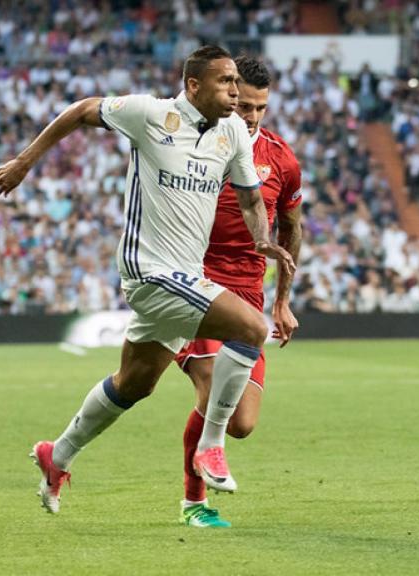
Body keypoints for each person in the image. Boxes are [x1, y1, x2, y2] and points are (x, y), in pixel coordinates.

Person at [0, 45, 296, 514]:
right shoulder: (149, 114)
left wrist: (263, 240)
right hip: (149, 272)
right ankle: (211, 446)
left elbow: (252, 200)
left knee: (135, 383)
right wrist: (26, 161)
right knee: (251, 327)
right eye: (225, 83)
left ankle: (57, 455)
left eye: (238, 84)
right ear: (193, 85)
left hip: (186, 278)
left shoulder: (231, 132)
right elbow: (81, 110)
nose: (234, 93)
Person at [173, 55, 302, 528]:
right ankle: (194, 503)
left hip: (249, 295)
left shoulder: (280, 158)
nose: (250, 117)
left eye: (260, 109)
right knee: (210, 394)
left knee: (242, 423)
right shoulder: (191, 146)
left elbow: (291, 229)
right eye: (243, 105)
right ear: (226, 93)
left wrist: (283, 301)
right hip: (193, 284)